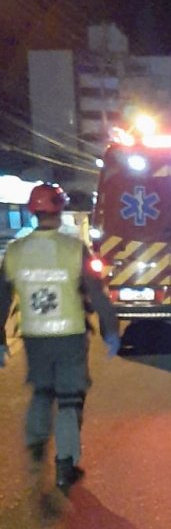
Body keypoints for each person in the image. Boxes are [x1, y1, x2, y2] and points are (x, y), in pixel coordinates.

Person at [0, 183, 121, 497]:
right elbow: (96, 293)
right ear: (59, 209)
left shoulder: (14, 251)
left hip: (35, 336)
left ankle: (36, 442)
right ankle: (65, 465)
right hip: (69, 335)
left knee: (42, 390)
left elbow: (1, 298)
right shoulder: (73, 248)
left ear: (33, 212)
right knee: (69, 398)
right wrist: (111, 329)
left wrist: (1, 338)